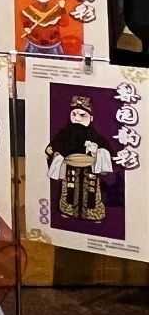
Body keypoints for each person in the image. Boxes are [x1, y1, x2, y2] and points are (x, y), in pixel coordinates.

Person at [46, 95, 115, 223]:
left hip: (89, 168)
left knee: (91, 192)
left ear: (91, 117)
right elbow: (55, 144)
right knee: (69, 190)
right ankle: (67, 210)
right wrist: (51, 150)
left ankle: (93, 215)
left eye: (82, 115)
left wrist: (97, 151)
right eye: (74, 114)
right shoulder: (65, 132)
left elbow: (107, 148)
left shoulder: (94, 135)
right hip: (70, 166)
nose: (77, 118)